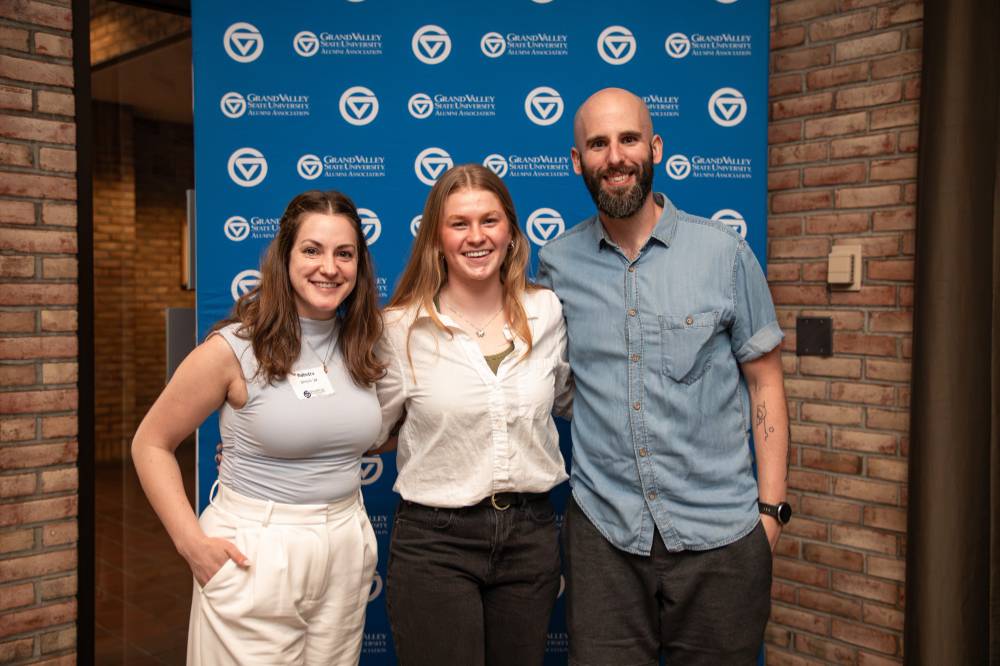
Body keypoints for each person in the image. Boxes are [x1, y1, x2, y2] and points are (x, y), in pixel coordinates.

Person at [536, 87, 790, 665]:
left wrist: (771, 513)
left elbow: (766, 383)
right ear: (577, 160)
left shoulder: (724, 254)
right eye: (597, 144)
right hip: (604, 538)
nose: (615, 157)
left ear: (654, 148)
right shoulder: (557, 264)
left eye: (628, 139)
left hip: (722, 537)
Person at [132, 190, 384, 665]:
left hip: (346, 542)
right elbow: (151, 443)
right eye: (312, 250)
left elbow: (355, 435)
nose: (329, 267)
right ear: (284, 257)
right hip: (257, 548)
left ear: (359, 265)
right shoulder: (233, 349)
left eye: (344, 253)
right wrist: (191, 544)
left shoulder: (364, 344)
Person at [373, 164, 572, 665]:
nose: (476, 236)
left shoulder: (546, 311)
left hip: (530, 537)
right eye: (459, 223)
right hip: (435, 543)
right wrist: (261, 449)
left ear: (510, 231)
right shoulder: (400, 328)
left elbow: (578, 401)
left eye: (489, 220)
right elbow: (368, 430)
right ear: (437, 239)